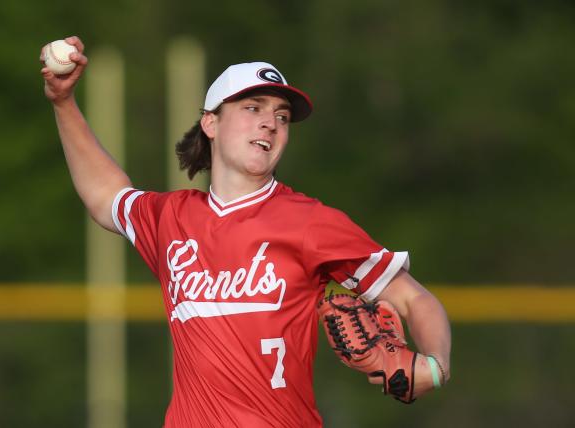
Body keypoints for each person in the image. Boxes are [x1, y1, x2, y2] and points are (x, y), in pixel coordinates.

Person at [41, 36, 451, 427]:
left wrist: (436, 365)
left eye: (282, 116)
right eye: (253, 108)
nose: (270, 123)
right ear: (211, 123)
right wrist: (63, 102)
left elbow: (414, 298)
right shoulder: (171, 219)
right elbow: (104, 196)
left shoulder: (310, 222)